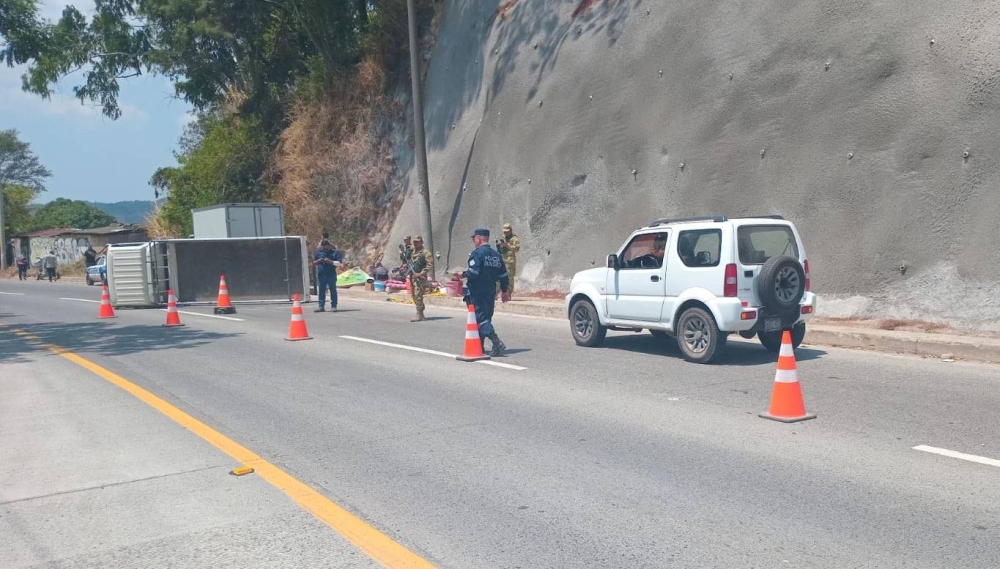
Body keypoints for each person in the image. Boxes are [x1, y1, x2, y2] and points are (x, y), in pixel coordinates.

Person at [461, 228, 510, 356]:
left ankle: (496, 341)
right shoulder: (496, 255)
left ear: (478, 238)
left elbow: (473, 273)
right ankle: (480, 346)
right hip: (491, 290)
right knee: (486, 318)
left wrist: (463, 274)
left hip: (478, 290)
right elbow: (504, 275)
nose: (473, 241)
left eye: (474, 239)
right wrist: (505, 291)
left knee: (480, 318)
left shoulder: (477, 254)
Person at [312, 239, 343, 312]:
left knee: (332, 290)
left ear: (329, 246)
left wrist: (329, 261)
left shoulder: (335, 253)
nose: (324, 249)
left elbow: (339, 264)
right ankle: (321, 306)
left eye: (326, 247)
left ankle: (334, 306)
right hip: (321, 274)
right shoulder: (318, 252)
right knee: (321, 290)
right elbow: (313, 263)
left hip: (331, 274)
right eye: (323, 247)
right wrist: (319, 260)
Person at [409, 236, 433, 322]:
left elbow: (429, 265)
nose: (415, 243)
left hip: (420, 277)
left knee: (418, 295)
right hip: (413, 276)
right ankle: (420, 313)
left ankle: (419, 313)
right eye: (414, 242)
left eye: (417, 242)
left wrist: (421, 273)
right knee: (414, 295)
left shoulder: (426, 253)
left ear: (421, 242)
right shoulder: (413, 252)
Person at [495, 222, 521, 299]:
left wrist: (507, 245)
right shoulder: (504, 238)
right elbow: (502, 250)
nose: (505, 233)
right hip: (503, 260)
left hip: (510, 262)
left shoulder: (514, 239)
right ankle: (496, 293)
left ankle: (508, 294)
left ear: (510, 230)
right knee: (499, 277)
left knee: (509, 278)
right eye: (504, 232)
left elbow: (516, 248)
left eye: (507, 231)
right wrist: (500, 246)